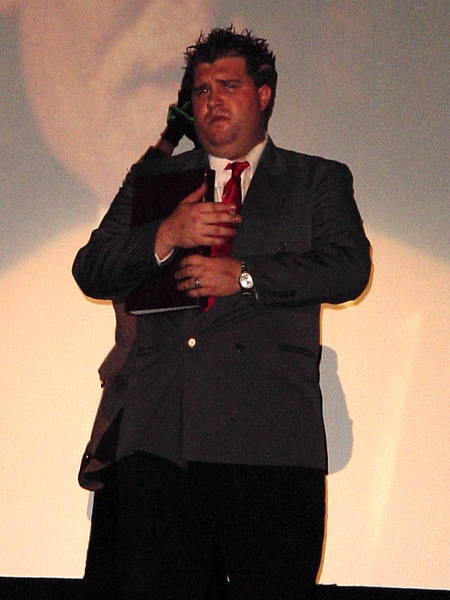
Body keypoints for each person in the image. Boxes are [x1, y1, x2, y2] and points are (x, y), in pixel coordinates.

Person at [73, 26, 371, 600]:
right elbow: (91, 268)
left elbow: (347, 269)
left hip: (268, 445)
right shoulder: (155, 179)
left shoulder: (315, 179)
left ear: (264, 94)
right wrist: (165, 234)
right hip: (161, 442)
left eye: (228, 85)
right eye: (202, 89)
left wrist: (246, 275)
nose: (212, 100)